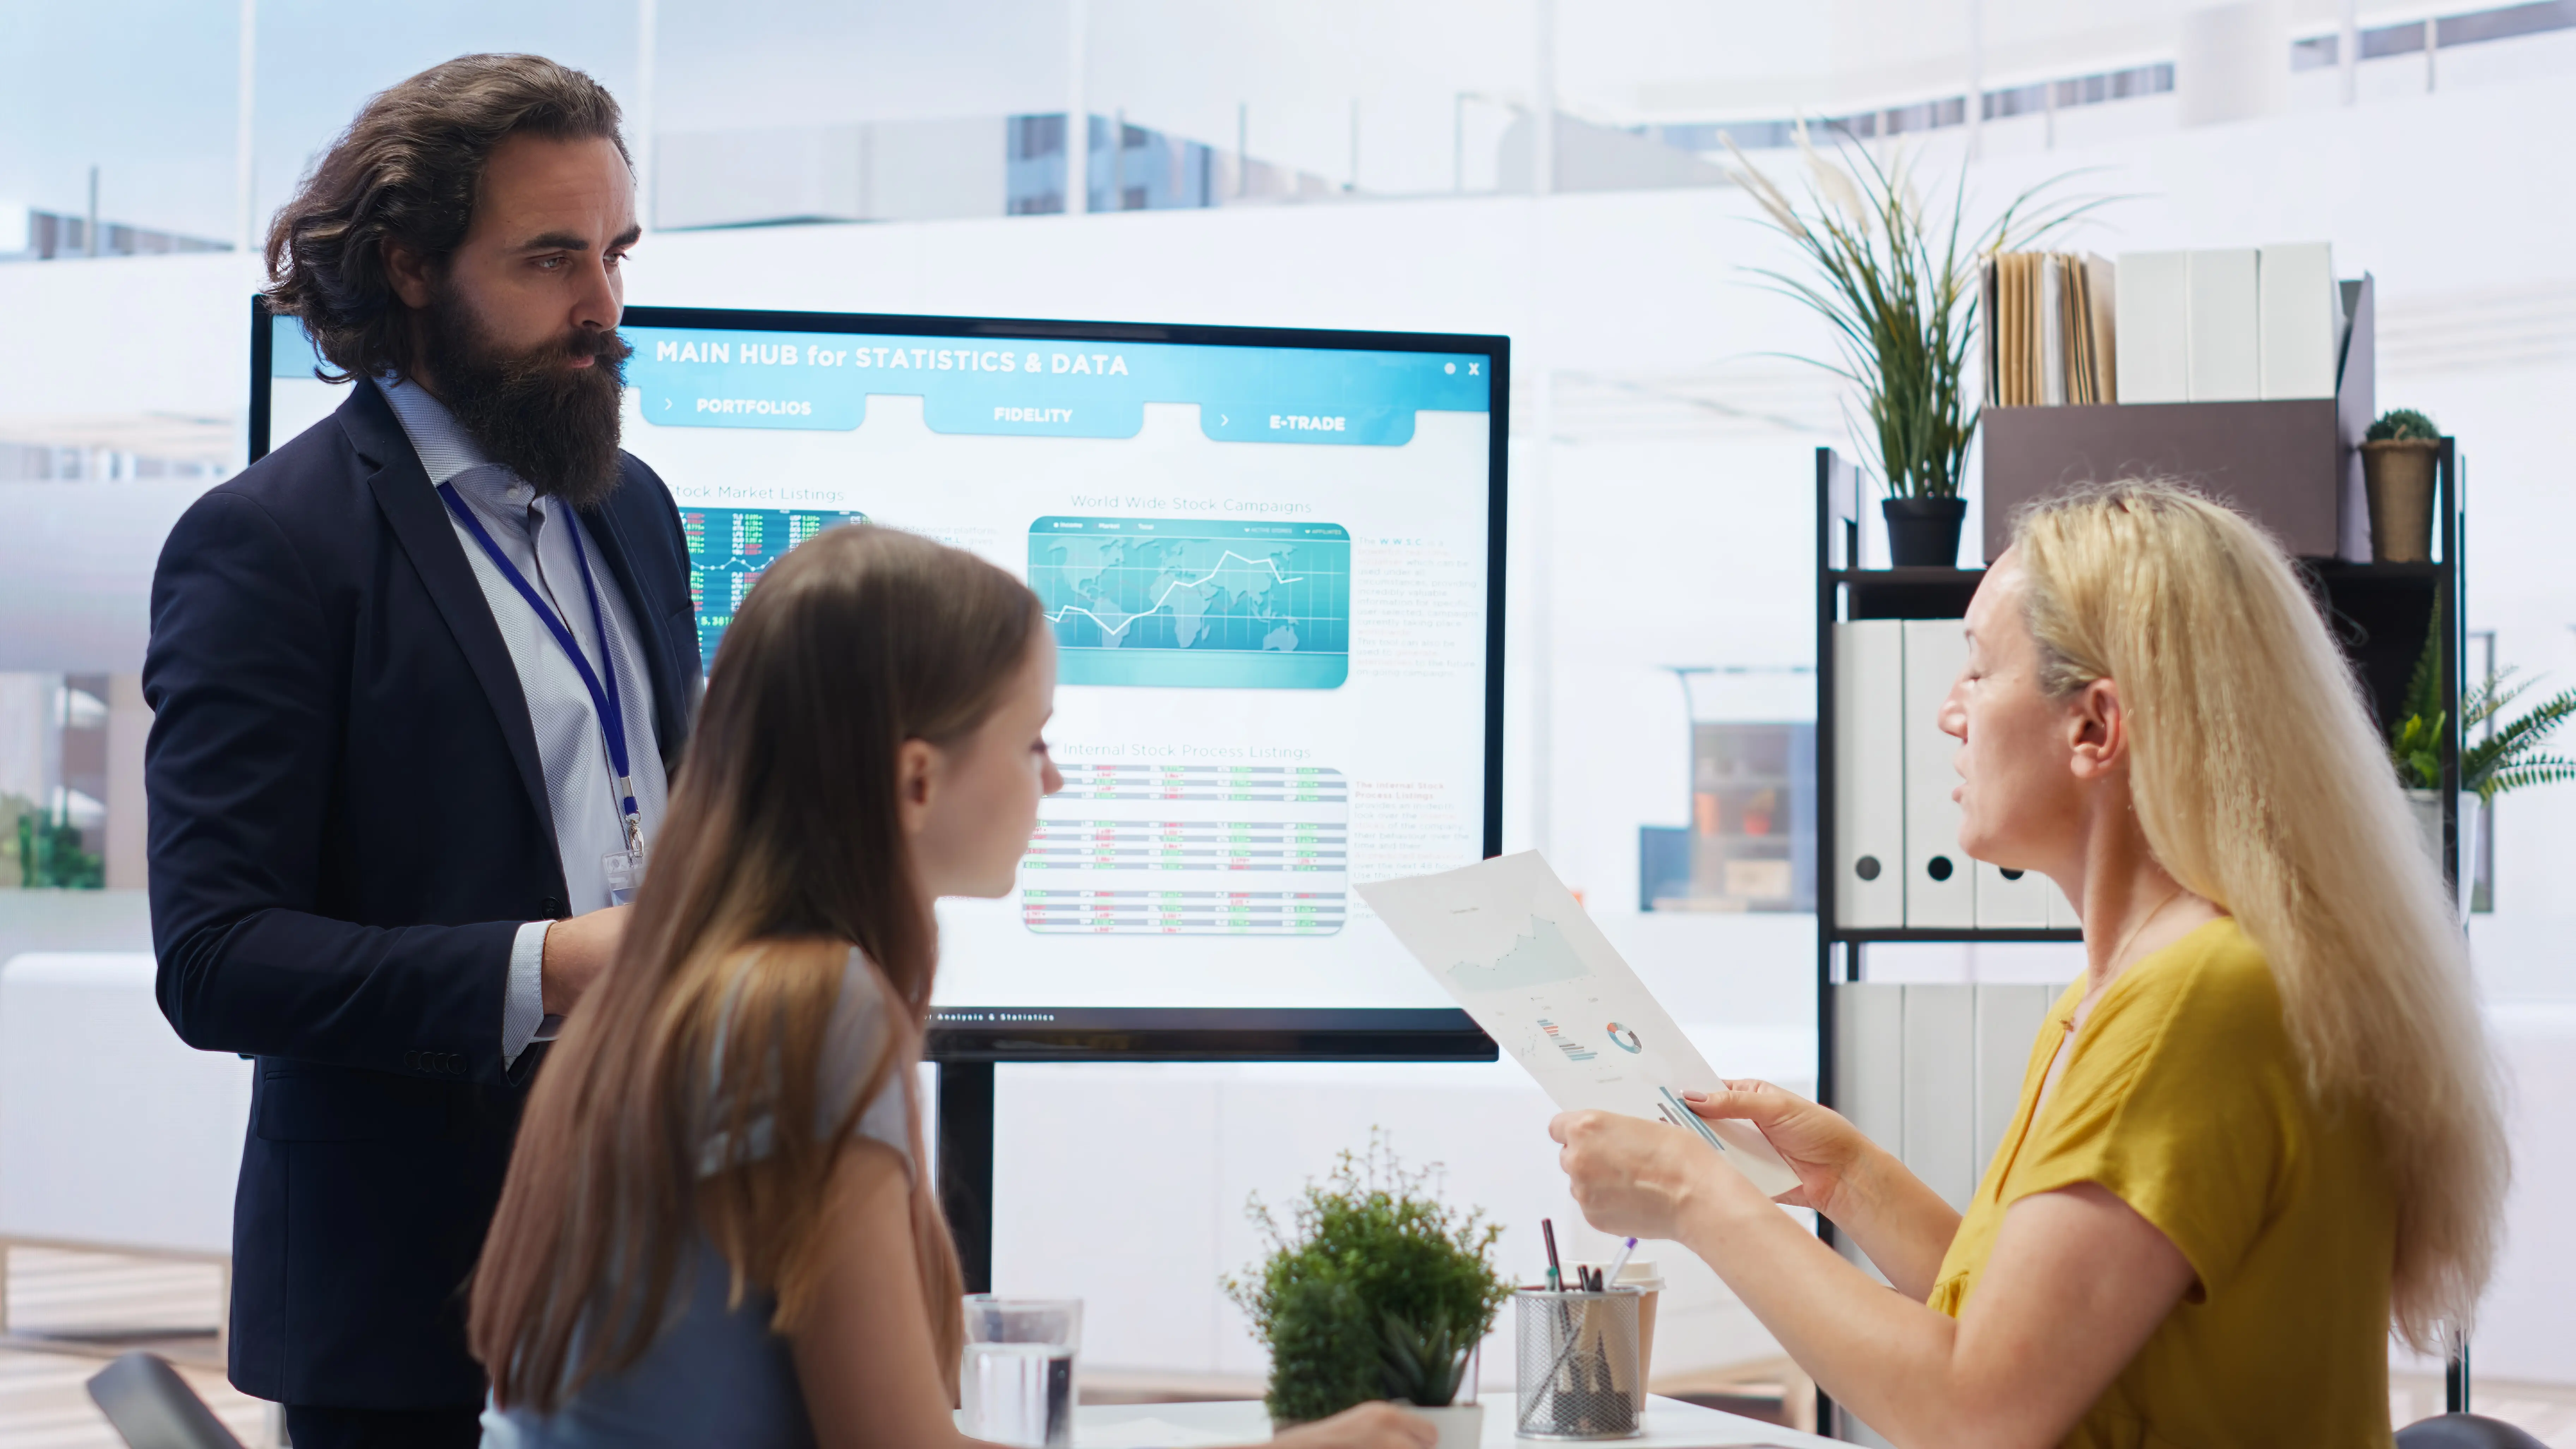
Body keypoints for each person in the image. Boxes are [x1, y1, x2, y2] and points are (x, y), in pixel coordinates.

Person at [1551, 481, 2508, 1448]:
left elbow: (1979, 1410)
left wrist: (1695, 1195)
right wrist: (1849, 1179)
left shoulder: (2198, 999)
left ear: (2094, 727)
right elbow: (2034, 1336)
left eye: (1977, 669)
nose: (1948, 714)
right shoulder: (2127, 990)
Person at [467, 526, 1429, 1449]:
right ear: (917, 781)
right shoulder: (814, 1008)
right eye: (1033, 742)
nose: (1053, 781)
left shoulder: (672, 983)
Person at [144, 55, 690, 1447]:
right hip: (411, 1303)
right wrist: (554, 964)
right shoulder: (270, 544)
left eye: (617, 255)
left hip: (671, 1262)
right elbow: (217, 958)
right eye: (551, 258)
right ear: (408, 266)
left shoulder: (635, 510)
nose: (604, 307)